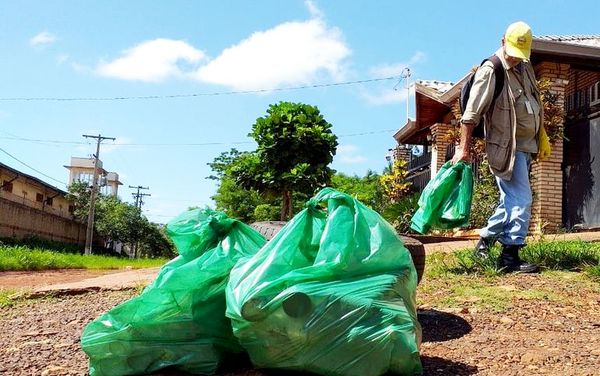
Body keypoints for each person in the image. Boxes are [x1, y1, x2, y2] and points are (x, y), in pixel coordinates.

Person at [452, 21, 551, 273]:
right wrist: (462, 149)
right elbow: (471, 115)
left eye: (521, 55)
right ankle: (509, 256)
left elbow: (533, 101)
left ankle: (485, 240)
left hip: (526, 145)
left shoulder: (525, 65)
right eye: (513, 54)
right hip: (507, 147)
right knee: (522, 199)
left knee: (511, 199)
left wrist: (542, 135)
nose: (517, 60)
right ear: (502, 41)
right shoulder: (491, 70)